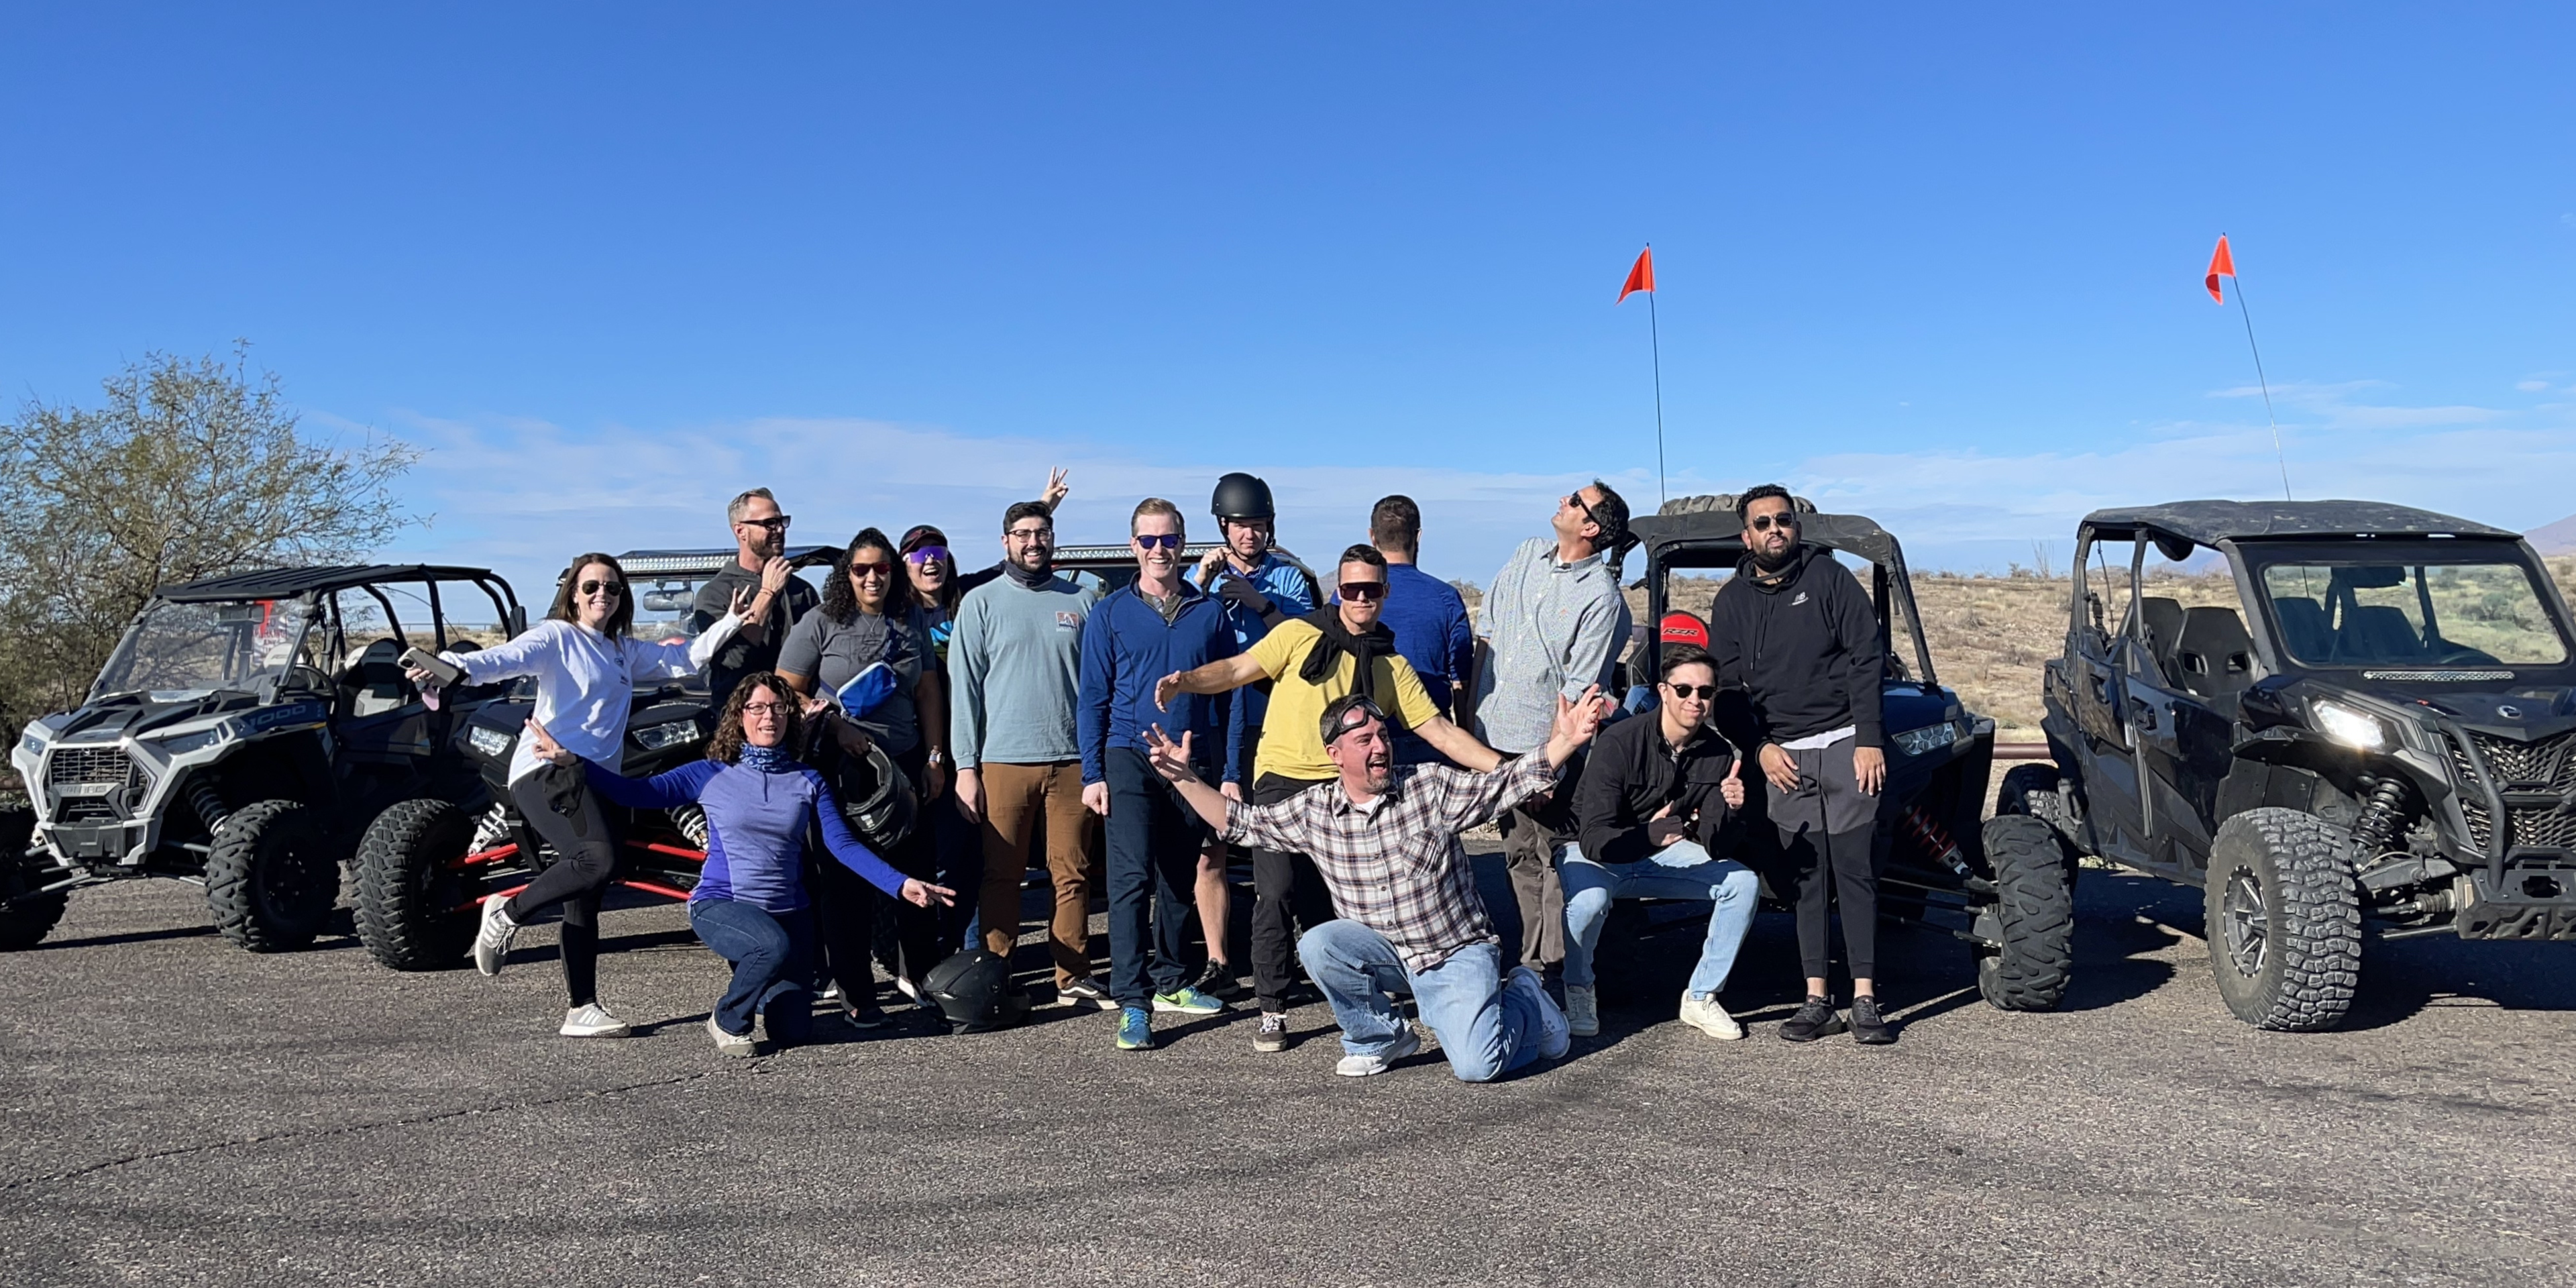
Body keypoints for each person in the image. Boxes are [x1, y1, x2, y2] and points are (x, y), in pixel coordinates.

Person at [1143, 689, 1604, 1081]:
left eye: (1382, 736)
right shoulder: (1315, 812)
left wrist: (1566, 740)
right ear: (1335, 755)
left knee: (1478, 1066)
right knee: (1321, 942)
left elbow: (1506, 784)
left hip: (1454, 954)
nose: (1380, 747)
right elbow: (1241, 823)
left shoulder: (1429, 787)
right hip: (1389, 956)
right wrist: (1182, 779)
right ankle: (1380, 1035)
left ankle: (1522, 998)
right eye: (1364, 740)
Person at [1156, 543, 1504, 1053]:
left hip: (1342, 788)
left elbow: (1440, 732)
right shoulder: (1299, 635)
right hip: (1282, 781)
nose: (1361, 598)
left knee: (1340, 908)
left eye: (1371, 590)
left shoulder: (1390, 666)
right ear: (1338, 592)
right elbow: (1235, 671)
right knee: (1274, 892)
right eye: (1350, 589)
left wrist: (1505, 770)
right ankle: (1272, 1007)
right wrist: (1187, 681)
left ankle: (1367, 1013)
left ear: (1385, 593)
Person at [407, 551, 763, 1038]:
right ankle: (507, 910)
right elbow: (500, 660)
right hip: (547, 769)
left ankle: (581, 1009)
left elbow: (685, 659)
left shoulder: (621, 651)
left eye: (612, 589)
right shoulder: (556, 637)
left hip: (593, 779)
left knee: (587, 891)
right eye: (592, 586)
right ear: (573, 593)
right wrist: (449, 666)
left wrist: (729, 622)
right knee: (598, 859)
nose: (603, 595)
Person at [525, 675, 953, 1055]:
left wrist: (902, 884)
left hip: (790, 916)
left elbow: (843, 847)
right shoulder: (710, 773)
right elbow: (634, 793)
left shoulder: (808, 780)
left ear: (791, 717)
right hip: (724, 905)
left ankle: (764, 987)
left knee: (794, 1031)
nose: (769, 717)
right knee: (768, 946)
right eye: (758, 708)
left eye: (779, 707)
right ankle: (728, 1018)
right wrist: (574, 763)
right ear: (740, 716)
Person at [1704, 484, 1894, 1045]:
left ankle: (1865, 998)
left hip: (1844, 744)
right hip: (1782, 752)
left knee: (1855, 871)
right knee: (1807, 879)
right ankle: (1816, 999)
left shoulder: (1830, 580)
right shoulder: (1731, 600)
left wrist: (1869, 738)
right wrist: (1759, 747)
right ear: (1747, 536)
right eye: (1762, 523)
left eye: (1782, 520)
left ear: (1797, 527)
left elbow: (1866, 657)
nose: (1773, 530)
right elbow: (1729, 688)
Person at [1076, 498, 1244, 1049]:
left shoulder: (1209, 612)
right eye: (1147, 541)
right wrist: (1092, 772)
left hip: (1191, 758)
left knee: (1181, 873)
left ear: (1183, 543)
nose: (1158, 550)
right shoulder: (1109, 613)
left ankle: (1172, 980)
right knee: (1130, 880)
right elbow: (1093, 700)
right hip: (1129, 753)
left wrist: (1229, 768)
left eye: (1168, 540)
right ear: (1133, 547)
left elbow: (1228, 692)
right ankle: (1133, 998)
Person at [777, 528, 953, 1024]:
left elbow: (927, 692)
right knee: (844, 885)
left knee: (916, 876)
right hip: (842, 769)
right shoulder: (822, 621)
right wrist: (836, 725)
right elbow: (786, 689)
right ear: (846, 575)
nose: (872, 577)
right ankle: (858, 992)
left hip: (905, 764)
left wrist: (935, 758)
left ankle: (922, 977)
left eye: (881, 568)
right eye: (861, 569)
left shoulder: (910, 617)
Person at [951, 498, 1110, 1008]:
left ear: (1053, 538)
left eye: (1041, 532)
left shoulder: (1083, 602)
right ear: (1006, 542)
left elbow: (1097, 686)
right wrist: (965, 767)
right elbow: (965, 691)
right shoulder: (980, 603)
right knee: (1002, 875)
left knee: (1073, 872)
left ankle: (1073, 976)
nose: (1033, 542)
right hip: (1002, 759)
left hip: (1071, 759)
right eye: (1023, 534)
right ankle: (995, 975)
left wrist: (1097, 759)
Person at [1474, 481, 1632, 976]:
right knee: (1519, 856)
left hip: (1542, 752)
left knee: (1550, 862)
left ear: (1589, 527)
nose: (1563, 501)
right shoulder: (1526, 555)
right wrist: (1468, 723)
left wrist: (1550, 765)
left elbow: (1582, 688)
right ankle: (1532, 962)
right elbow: (1487, 633)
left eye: (1574, 500)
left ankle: (1551, 970)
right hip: (1492, 742)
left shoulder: (1600, 598)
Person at [1564, 646, 1758, 1040]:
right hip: (1597, 850)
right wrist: (1646, 835)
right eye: (1684, 689)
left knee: (1743, 882)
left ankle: (1701, 996)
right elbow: (1593, 839)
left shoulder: (1717, 752)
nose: (1695, 700)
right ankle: (1578, 987)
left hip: (1660, 851)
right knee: (1590, 901)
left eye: (1705, 692)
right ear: (1663, 691)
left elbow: (1715, 845)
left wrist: (1735, 808)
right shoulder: (1620, 741)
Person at [1187, 471, 1322, 1002]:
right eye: (1241, 526)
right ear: (1223, 527)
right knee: (1213, 842)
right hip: (1219, 711)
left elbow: (1311, 632)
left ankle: (1308, 944)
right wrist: (1201, 580)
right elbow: (1185, 625)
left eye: (1259, 526)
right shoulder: (1206, 578)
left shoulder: (1288, 578)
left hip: (1274, 709)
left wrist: (1260, 602)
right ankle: (1219, 958)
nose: (1250, 535)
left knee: (1290, 836)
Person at [897, 521, 981, 955]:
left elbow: (1015, 559)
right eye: (918, 555)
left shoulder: (967, 601)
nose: (929, 561)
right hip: (918, 752)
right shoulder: (897, 614)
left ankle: (968, 954)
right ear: (904, 565)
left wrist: (1044, 505)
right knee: (925, 858)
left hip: (971, 749)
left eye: (937, 553)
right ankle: (924, 954)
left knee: (967, 859)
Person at [1364, 494, 1476, 763]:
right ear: (1418, 537)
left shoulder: (1350, 598)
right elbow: (1461, 682)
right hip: (1433, 737)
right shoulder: (1445, 597)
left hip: (1367, 741)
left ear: (1372, 537)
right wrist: (1466, 742)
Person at [692, 488, 820, 708]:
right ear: (741, 531)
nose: (779, 530)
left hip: (796, 716)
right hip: (739, 717)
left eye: (782, 521)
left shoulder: (802, 592)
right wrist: (767, 593)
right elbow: (734, 661)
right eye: (769, 523)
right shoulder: (714, 594)